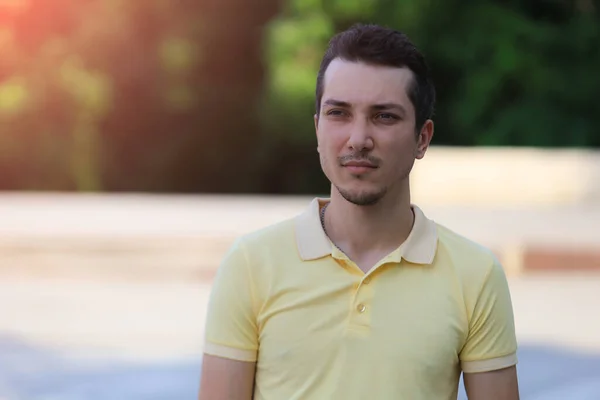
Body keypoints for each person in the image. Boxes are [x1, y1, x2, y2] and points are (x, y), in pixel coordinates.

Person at [198, 23, 519, 400]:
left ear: (422, 138)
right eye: (339, 113)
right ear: (318, 129)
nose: (358, 139)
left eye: (384, 116)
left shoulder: (475, 275)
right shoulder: (250, 264)